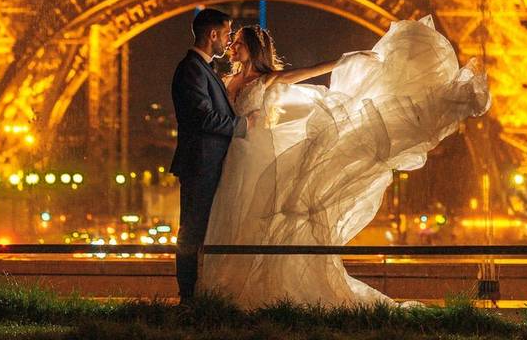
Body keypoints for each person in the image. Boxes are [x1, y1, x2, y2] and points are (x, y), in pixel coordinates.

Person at [200, 16, 491, 307]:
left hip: (257, 153)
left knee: (254, 213)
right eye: (232, 40)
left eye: (238, 42)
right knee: (232, 214)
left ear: (252, 48)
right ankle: (227, 285)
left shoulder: (267, 80)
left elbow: (309, 72)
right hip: (233, 153)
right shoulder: (224, 80)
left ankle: (248, 287)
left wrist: (346, 61)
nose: (232, 46)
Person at [169, 7, 247, 302]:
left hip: (208, 163)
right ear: (212, 34)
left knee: (201, 231)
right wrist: (242, 126)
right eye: (227, 33)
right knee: (192, 231)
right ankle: (188, 297)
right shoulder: (191, 69)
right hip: (201, 164)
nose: (228, 41)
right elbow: (202, 118)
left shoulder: (201, 68)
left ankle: (197, 294)